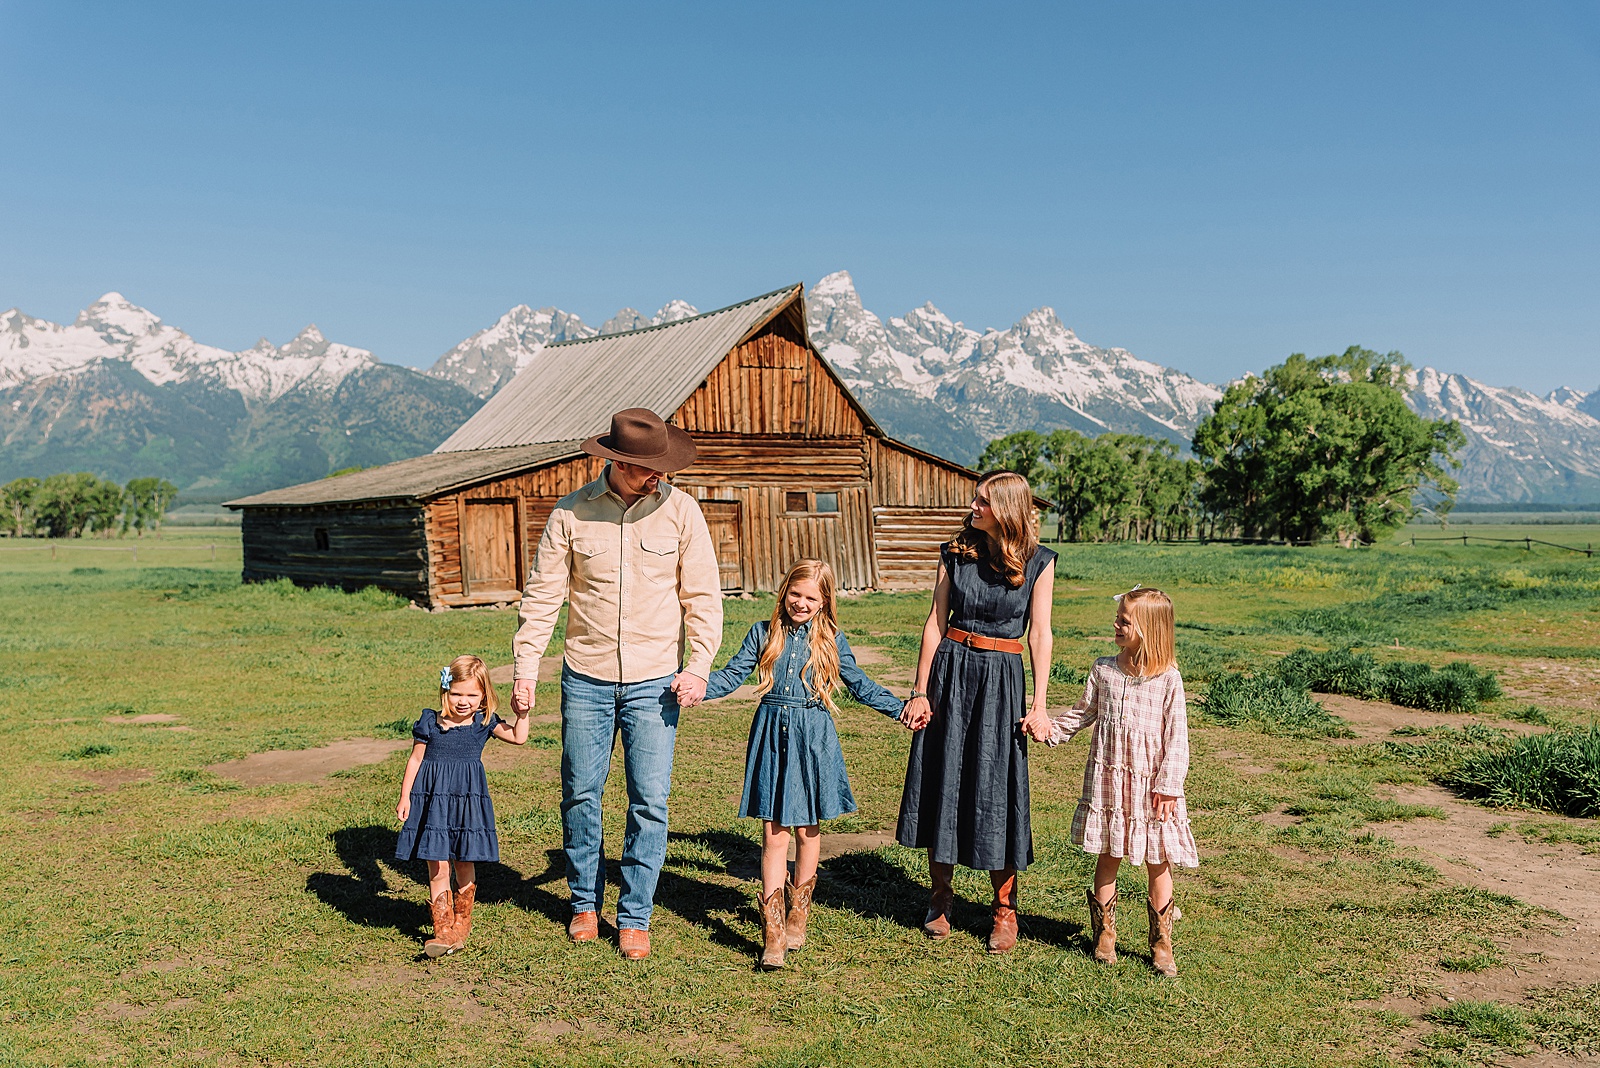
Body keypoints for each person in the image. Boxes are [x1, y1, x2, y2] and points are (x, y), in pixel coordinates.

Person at [510, 408, 722, 961]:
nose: (658, 477)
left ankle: (635, 916)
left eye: (662, 468)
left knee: (649, 802)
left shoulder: (681, 512)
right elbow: (542, 599)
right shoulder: (570, 514)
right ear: (617, 463)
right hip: (586, 679)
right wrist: (526, 670)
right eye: (647, 469)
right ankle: (584, 903)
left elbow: (702, 597)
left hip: (656, 681)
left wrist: (698, 666)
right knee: (581, 793)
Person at [701, 559, 908, 969]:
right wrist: (694, 688)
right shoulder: (763, 633)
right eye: (795, 594)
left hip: (814, 734)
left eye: (811, 597)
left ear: (824, 601)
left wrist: (901, 709)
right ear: (784, 592)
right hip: (771, 730)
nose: (801, 603)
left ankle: (799, 911)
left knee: (807, 828)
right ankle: (773, 934)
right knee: (773, 832)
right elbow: (731, 675)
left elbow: (859, 683)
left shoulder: (831, 639)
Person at [897, 471, 1056, 954]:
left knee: (996, 782)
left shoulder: (1039, 562)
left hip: (1002, 679)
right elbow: (934, 623)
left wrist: (1041, 703)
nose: (972, 506)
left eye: (982, 501)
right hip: (951, 671)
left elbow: (1041, 634)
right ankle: (941, 897)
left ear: (1005, 508)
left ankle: (1004, 909)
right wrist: (920, 690)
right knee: (942, 775)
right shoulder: (954, 552)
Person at [1031, 586, 1198, 977]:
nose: (1116, 625)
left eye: (1125, 621)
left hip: (1153, 789)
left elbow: (1178, 737)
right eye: (1118, 618)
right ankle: (1105, 935)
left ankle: (1161, 943)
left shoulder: (1168, 680)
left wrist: (1169, 785)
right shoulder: (1103, 669)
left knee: (1159, 863)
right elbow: (1082, 713)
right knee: (1109, 856)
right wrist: (1049, 729)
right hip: (1110, 781)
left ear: (1148, 628)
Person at [395, 654, 530, 957]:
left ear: (483, 695)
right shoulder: (430, 722)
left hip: (467, 802)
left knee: (464, 861)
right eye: (456, 693)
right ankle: (442, 929)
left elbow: (519, 738)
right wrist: (405, 797)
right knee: (436, 863)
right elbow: (415, 759)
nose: (463, 701)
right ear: (446, 691)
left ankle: (461, 923)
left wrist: (522, 713)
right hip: (432, 801)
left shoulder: (483, 723)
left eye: (471, 694)